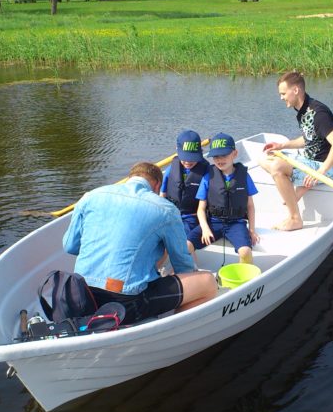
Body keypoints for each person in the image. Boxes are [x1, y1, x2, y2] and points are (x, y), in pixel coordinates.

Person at [63, 162, 217, 324]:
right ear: (157, 186)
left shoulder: (91, 196)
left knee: (153, 247)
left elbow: (70, 246)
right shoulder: (166, 209)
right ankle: (170, 329)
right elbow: (182, 264)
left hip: (81, 294)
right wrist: (185, 277)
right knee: (208, 282)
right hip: (124, 303)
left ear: (130, 178)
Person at [259, 71, 333, 231]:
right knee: (263, 159)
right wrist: (282, 146)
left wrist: (319, 173)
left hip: (326, 168)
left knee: (277, 167)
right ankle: (296, 191)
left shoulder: (318, 113)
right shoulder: (302, 111)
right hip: (309, 161)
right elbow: (308, 138)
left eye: (283, 93)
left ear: (296, 90)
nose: (281, 97)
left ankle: (295, 218)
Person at [187, 132, 260, 264]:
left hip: (236, 223)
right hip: (213, 222)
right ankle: (193, 273)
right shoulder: (208, 177)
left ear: (235, 154)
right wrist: (204, 228)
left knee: (245, 251)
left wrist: (252, 230)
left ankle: (246, 278)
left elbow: (250, 206)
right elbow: (201, 209)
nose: (220, 160)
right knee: (186, 245)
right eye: (216, 157)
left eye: (224, 155)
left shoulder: (244, 176)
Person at [160, 130, 209, 237]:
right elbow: (162, 194)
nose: (188, 161)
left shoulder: (206, 172)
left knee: (180, 237)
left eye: (192, 158)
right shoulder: (171, 169)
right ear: (177, 151)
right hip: (171, 213)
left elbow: (203, 201)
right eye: (185, 157)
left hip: (191, 216)